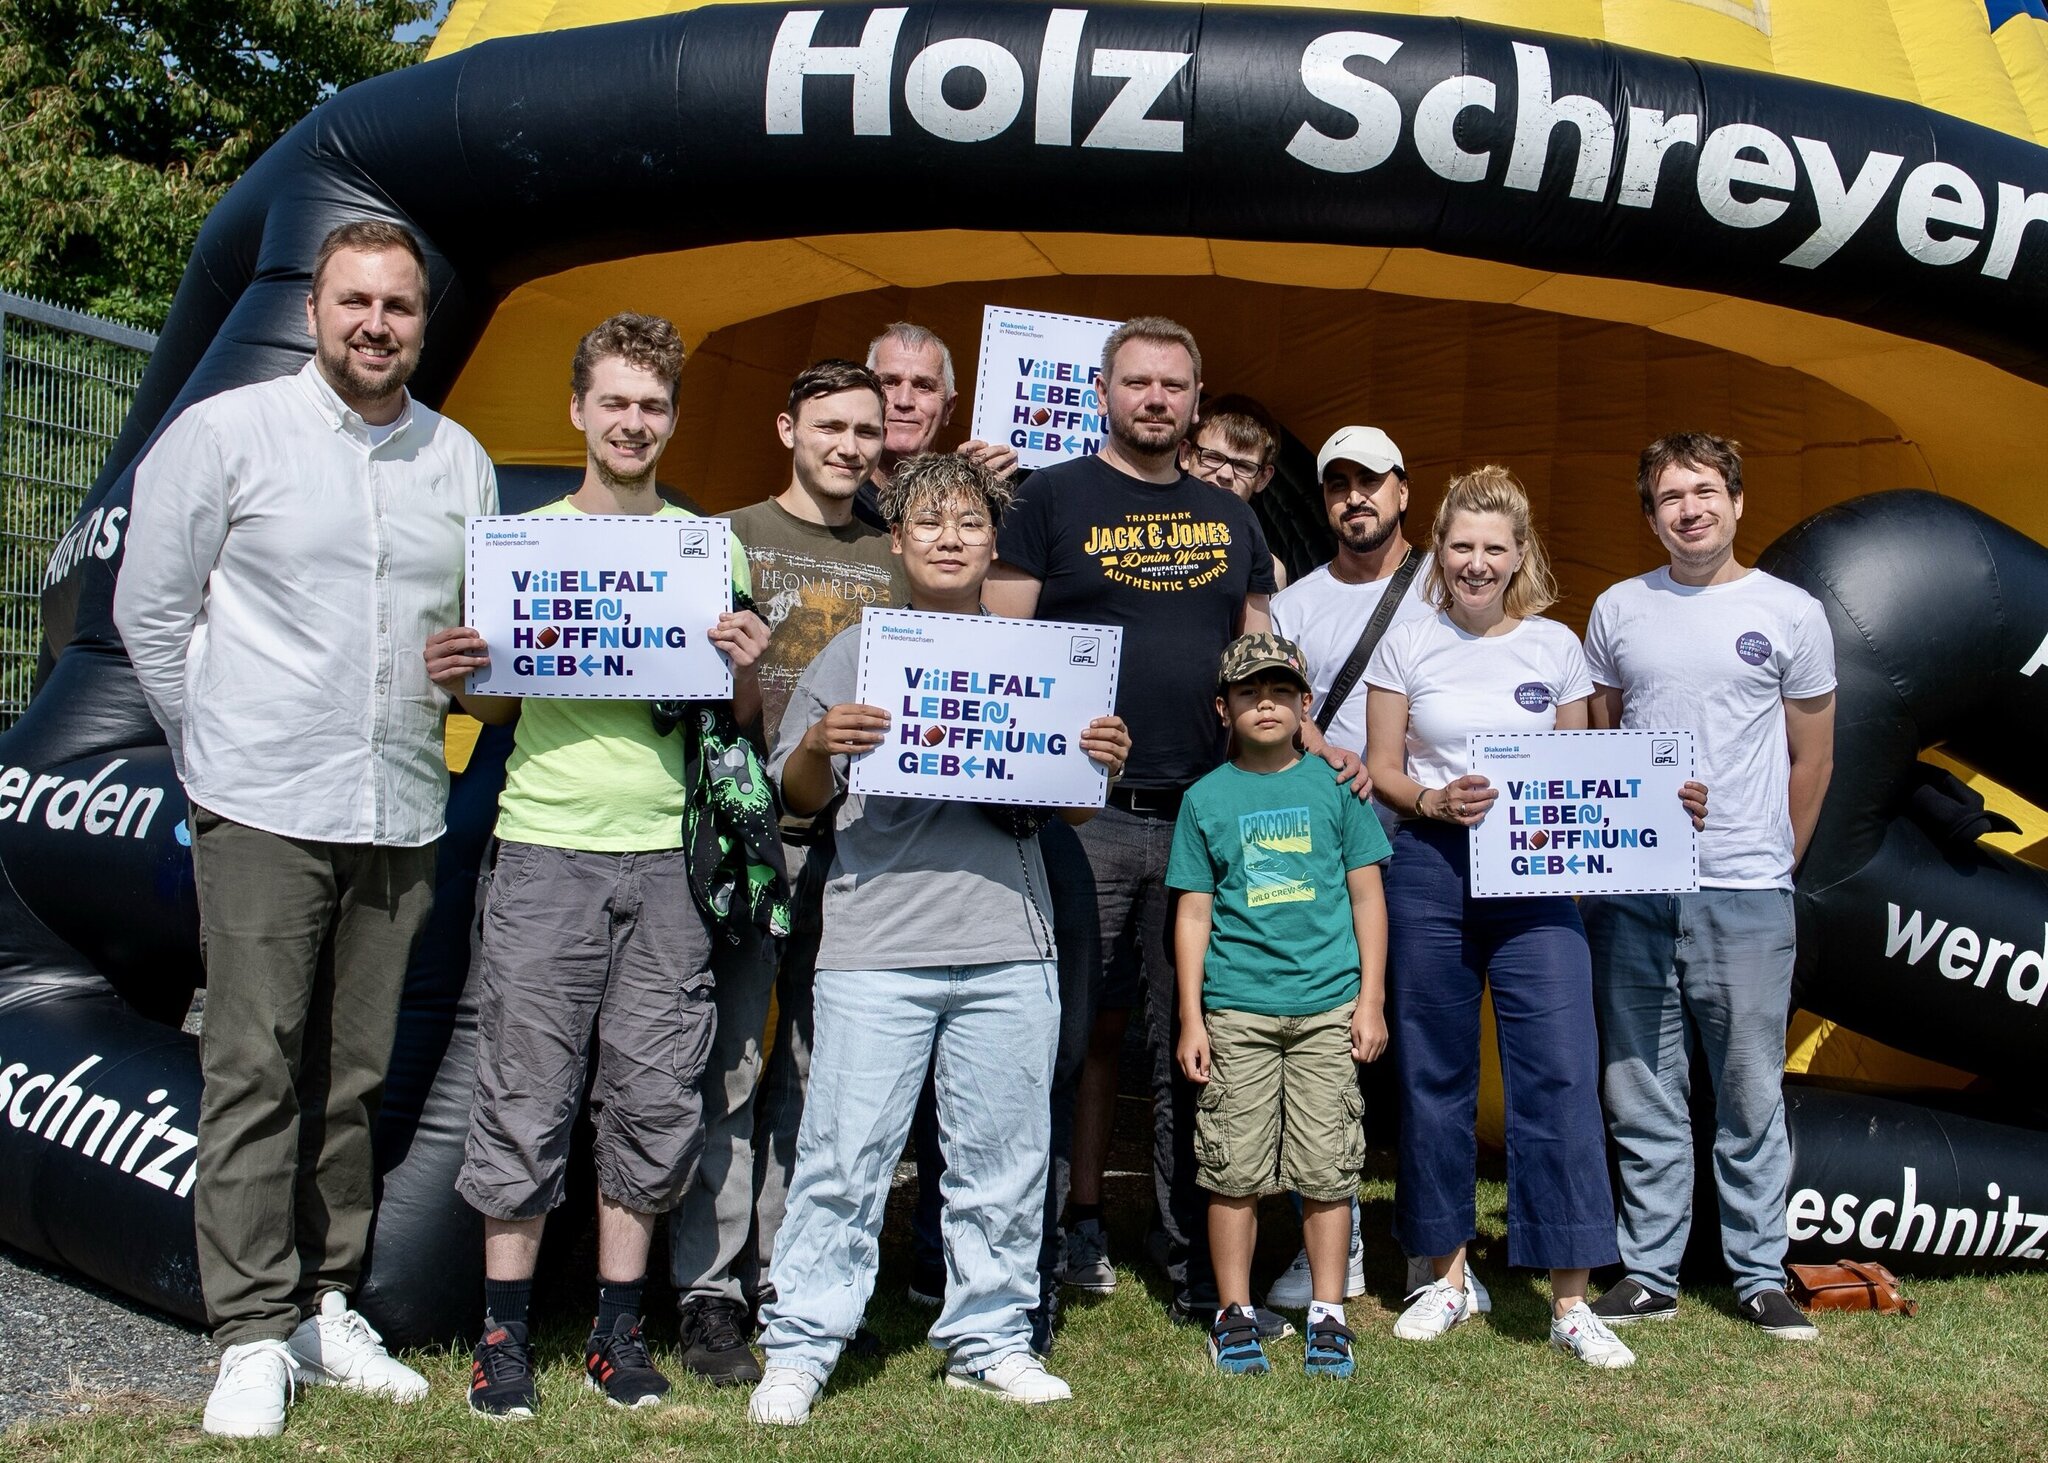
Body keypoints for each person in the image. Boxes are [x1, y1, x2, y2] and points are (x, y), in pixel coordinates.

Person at [114, 219, 498, 1438]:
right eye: (355, 301)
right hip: (263, 803)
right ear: (317, 309)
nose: (375, 324)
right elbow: (151, 609)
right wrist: (215, 753)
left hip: (396, 802)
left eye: (398, 306)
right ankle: (244, 1330)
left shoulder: (460, 460)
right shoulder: (228, 432)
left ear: (423, 323)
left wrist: (471, 662)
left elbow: (479, 637)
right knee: (252, 1068)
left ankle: (321, 1302)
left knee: (354, 1076)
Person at [426, 312, 774, 1417]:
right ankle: (503, 1336)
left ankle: (617, 1333)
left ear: (672, 419)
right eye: (615, 401)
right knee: (524, 1088)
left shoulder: (708, 546)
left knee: (651, 1089)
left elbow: (738, 721)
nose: (634, 421)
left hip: (669, 859)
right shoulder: (516, 544)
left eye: (653, 404)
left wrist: (747, 667)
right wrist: (460, 673)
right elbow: (483, 703)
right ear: (578, 410)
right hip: (544, 846)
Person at [747, 453, 1131, 1426]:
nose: (950, 538)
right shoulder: (852, 655)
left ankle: (990, 1338)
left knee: (1003, 1158)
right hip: (877, 941)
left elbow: (1073, 818)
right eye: (929, 524)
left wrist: (1096, 763)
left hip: (1009, 938)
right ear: (898, 541)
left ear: (992, 540)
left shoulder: (1042, 660)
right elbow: (793, 802)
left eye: (967, 523)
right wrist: (815, 746)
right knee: (843, 1156)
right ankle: (798, 1346)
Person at [986, 316, 1293, 1326]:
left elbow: (1260, 665)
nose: (1154, 399)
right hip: (1081, 816)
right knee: (1054, 1041)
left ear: (1195, 399)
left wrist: (1299, 743)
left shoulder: (1231, 519)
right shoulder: (1049, 497)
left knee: (1191, 1051)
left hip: (1203, 817)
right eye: (1136, 382)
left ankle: (1196, 1265)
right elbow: (1003, 643)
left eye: (1172, 384)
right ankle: (1023, 1267)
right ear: (1103, 393)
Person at [1362, 465, 1633, 1368]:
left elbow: (1592, 773)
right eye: (1462, 546)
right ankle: (1443, 1274)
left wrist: (1660, 807)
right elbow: (1385, 766)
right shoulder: (1406, 640)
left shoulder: (1557, 647)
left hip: (1538, 874)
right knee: (1433, 1073)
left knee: (1557, 1071)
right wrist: (1433, 802)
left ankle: (1568, 1296)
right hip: (1429, 868)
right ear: (1439, 549)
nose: (1476, 564)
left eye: (1494, 548)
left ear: (1521, 555)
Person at [667, 358, 905, 1385]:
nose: (848, 446)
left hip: (856, 841)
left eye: (865, 430)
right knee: (729, 1061)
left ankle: (787, 1272)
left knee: (816, 1069)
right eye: (829, 427)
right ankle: (708, 1288)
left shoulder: (895, 560)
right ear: (784, 428)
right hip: (740, 833)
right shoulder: (723, 536)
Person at [1583, 433, 1835, 1341]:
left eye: (1703, 492)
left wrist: (1772, 860)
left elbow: (1813, 757)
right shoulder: (1617, 609)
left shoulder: (1793, 612)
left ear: (1736, 500)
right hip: (1639, 892)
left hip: (1748, 889)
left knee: (1749, 1089)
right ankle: (1649, 1271)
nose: (1688, 509)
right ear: (1649, 514)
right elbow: (1610, 740)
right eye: (1668, 497)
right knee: (1640, 1083)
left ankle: (1759, 1272)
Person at [1266, 423, 1466, 1313]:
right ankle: (1332, 1249)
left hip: (1427, 849)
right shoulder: (1298, 603)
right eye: (1338, 483)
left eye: (1371, 481)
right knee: (1326, 1051)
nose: (1355, 497)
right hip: (1322, 855)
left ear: (1403, 491)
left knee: (1426, 1052)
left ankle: (1437, 1257)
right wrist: (1313, 739)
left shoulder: (1451, 584)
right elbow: (1267, 709)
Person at [1169, 634, 1390, 1378]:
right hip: (1238, 1010)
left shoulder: (1336, 789)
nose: (1265, 703)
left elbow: (1367, 895)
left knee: (1329, 1166)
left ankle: (1328, 1312)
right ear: (1223, 708)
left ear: (1304, 705)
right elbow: (1194, 913)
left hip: (1330, 1008)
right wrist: (1193, 1017)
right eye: (1248, 692)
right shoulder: (1205, 799)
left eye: (1280, 691)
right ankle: (1233, 1313)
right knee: (1232, 1168)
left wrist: (1372, 1000)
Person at [854, 321, 1018, 528]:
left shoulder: (979, 496)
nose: (904, 401)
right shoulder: (835, 490)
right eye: (890, 382)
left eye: (924, 386)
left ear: (948, 408)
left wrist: (963, 491)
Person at [1179, 394, 1289, 588]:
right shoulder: (1142, 536)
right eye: (1213, 457)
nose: (1226, 474)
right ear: (1186, 454)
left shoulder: (1269, 570)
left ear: (1263, 478)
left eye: (1243, 467)